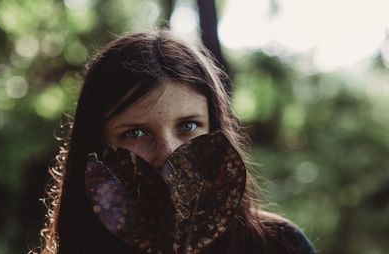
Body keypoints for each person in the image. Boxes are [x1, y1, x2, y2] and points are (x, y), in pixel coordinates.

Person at [36, 30, 316, 254]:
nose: (168, 152)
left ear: (214, 132)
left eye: (188, 126)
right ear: (97, 144)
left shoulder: (280, 245)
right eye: (135, 133)